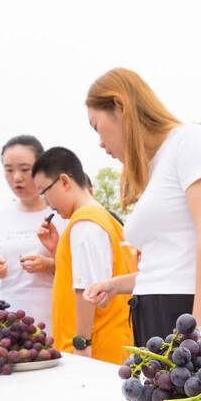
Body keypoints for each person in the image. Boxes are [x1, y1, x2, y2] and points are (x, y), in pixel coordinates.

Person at [82, 69, 201, 347]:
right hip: (150, 311)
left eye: (96, 126)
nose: (99, 142)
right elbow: (169, 262)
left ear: (119, 106)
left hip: (184, 315)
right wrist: (115, 285)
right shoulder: (156, 167)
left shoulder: (190, 140)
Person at [31, 147, 137, 363]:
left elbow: (88, 289)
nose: (46, 202)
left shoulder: (85, 224)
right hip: (113, 344)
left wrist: (82, 343)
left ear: (64, 181)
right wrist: (56, 250)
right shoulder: (106, 220)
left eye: (44, 191)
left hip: (95, 352)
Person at [0, 135, 60, 329]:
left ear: (42, 168)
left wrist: (49, 265)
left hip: (54, 318)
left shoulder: (59, 214)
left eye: (25, 169)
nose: (17, 177)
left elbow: (77, 272)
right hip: (10, 323)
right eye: (9, 170)